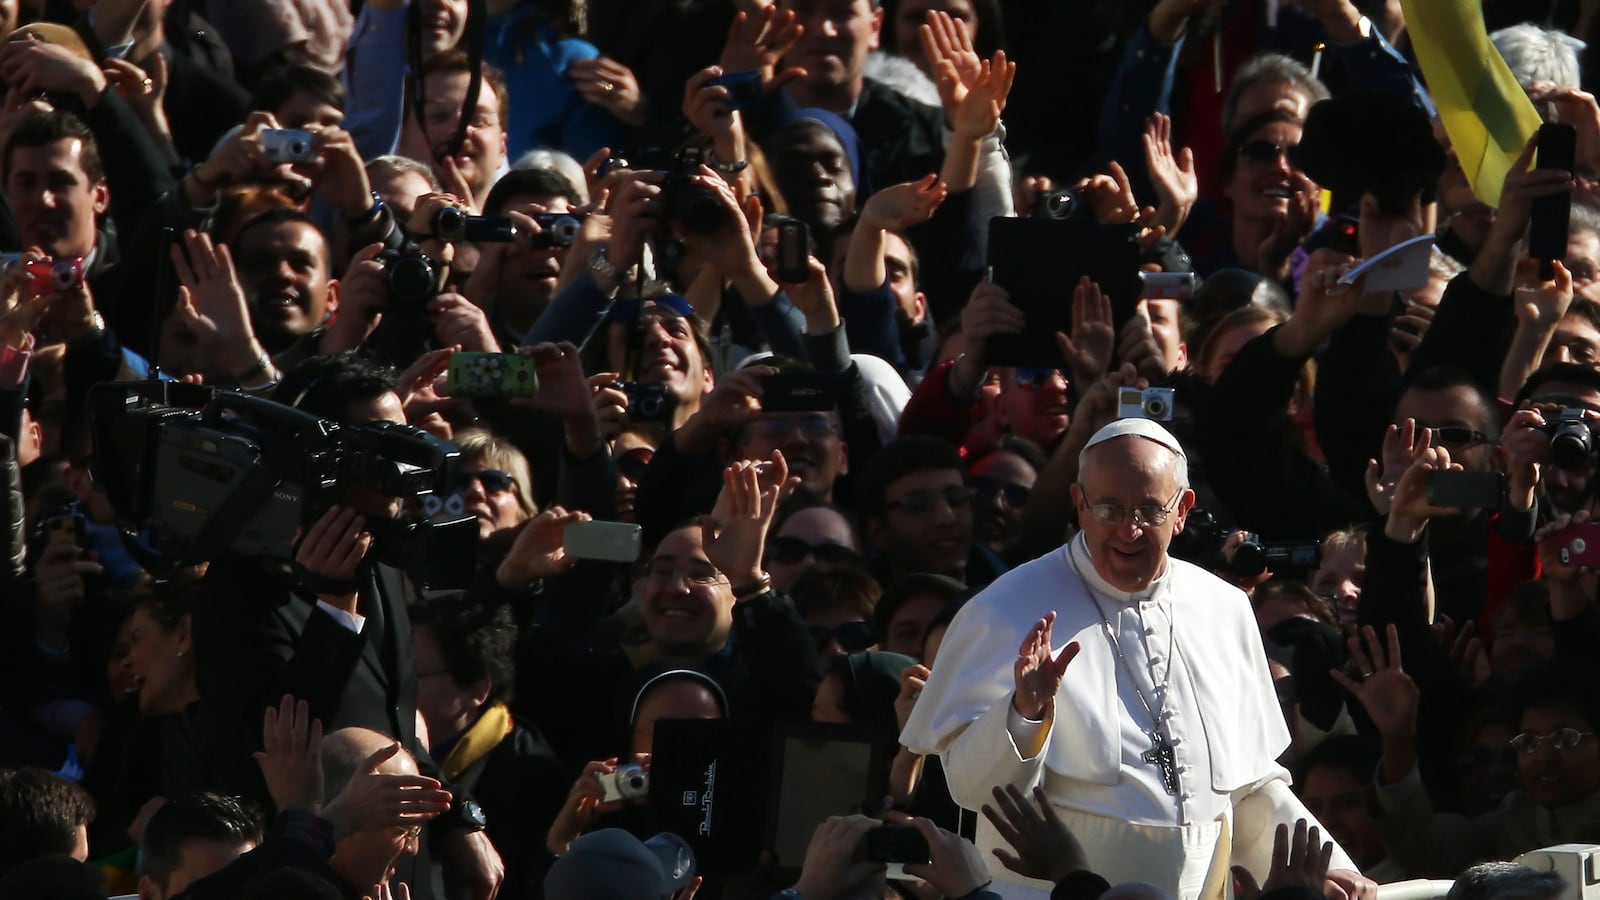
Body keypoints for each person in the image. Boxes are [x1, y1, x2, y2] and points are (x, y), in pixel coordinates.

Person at [900, 418, 1372, 899]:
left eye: (1149, 510)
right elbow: (973, 791)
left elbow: (1248, 789)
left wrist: (1333, 870)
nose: (1129, 529)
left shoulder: (1223, 607)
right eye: (1109, 508)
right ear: (1079, 504)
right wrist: (1024, 713)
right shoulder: (1004, 611)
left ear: (1183, 510)